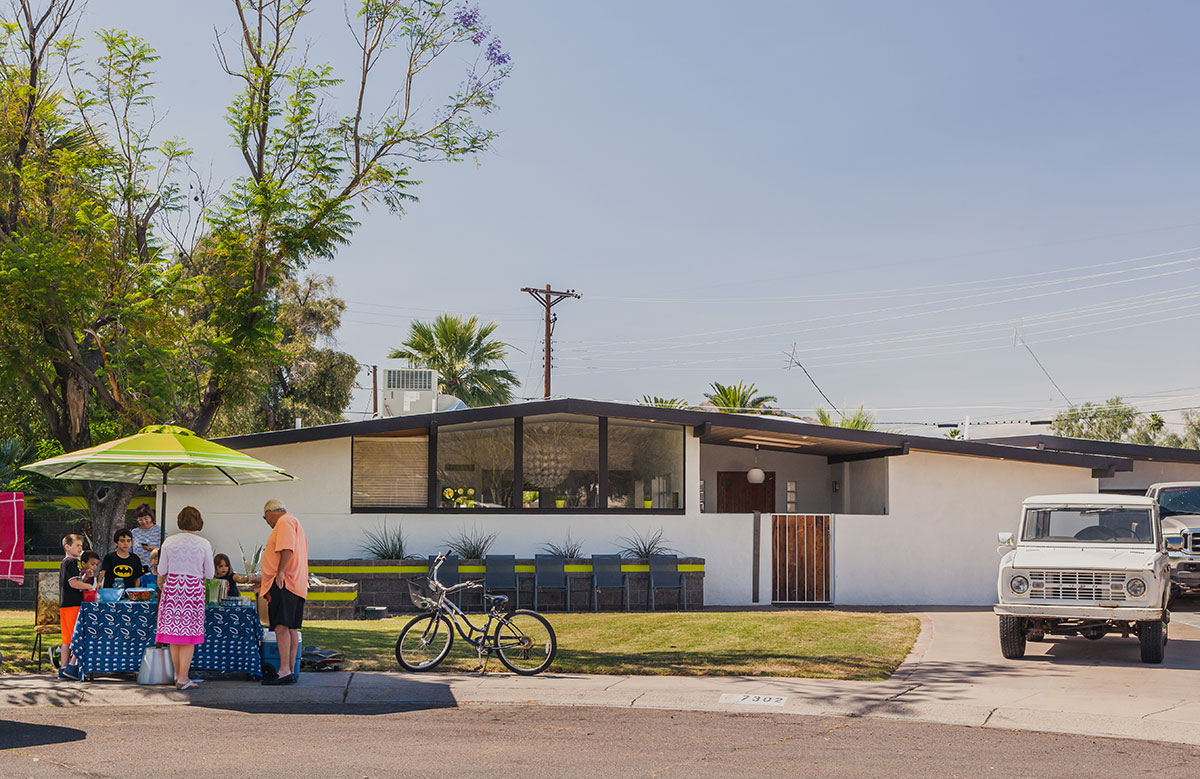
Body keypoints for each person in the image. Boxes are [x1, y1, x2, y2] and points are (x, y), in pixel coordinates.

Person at [155, 506, 214, 690]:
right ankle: (183, 677)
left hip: (172, 588)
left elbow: (161, 570)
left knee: (174, 634)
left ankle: (177, 675)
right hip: (193, 589)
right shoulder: (203, 543)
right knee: (189, 635)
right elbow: (210, 574)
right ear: (198, 521)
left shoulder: (168, 542)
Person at [254, 499, 308, 686]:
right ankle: (290, 670)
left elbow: (287, 548)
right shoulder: (294, 521)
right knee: (291, 627)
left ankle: (284, 669)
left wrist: (280, 572)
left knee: (280, 626)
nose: (267, 522)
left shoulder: (284, 522)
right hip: (295, 584)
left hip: (284, 583)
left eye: (265, 517)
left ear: (270, 512)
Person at [58, 534, 85, 680]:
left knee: (67, 638)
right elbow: (73, 583)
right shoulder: (73, 562)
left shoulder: (64, 562)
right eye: (78, 545)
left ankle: (63, 668)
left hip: (65, 604)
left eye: (81, 545)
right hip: (73, 604)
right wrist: (89, 586)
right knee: (77, 636)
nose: (81, 548)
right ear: (68, 547)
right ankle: (72, 666)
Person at [130, 504, 160, 568]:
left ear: (151, 517)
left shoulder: (160, 530)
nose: (143, 522)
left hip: (155, 569)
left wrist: (154, 550)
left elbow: (166, 551)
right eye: (140, 520)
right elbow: (129, 550)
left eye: (146, 519)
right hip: (137, 568)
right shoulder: (134, 532)